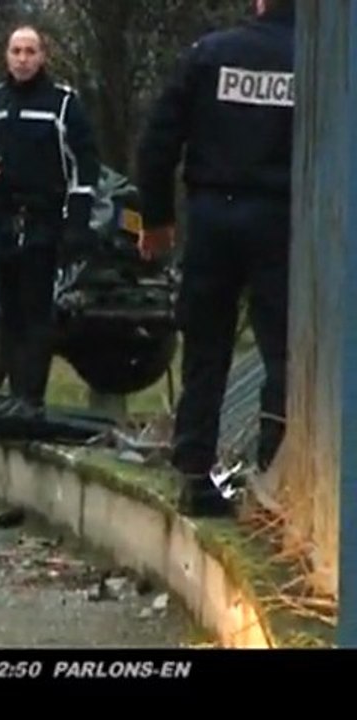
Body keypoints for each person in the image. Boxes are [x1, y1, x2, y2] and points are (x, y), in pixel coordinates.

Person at [135, 0, 295, 516]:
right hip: (280, 219)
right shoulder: (310, 62)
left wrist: (156, 221)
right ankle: (274, 467)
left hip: (211, 217)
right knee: (284, 352)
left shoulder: (210, 55)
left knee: (205, 347)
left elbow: (158, 141)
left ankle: (195, 473)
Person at [0, 24, 101, 422]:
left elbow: (84, 165)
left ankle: (31, 396)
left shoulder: (62, 105)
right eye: (16, 51)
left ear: (42, 57)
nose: (23, 58)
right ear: (6, 56)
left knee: (36, 311)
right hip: (1, 219)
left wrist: (76, 223)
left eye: (30, 51)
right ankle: (13, 392)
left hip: (43, 220)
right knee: (8, 311)